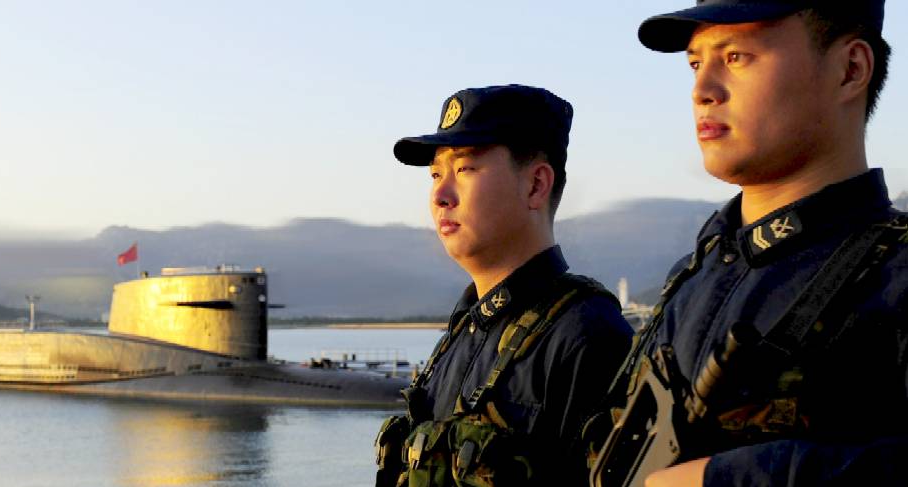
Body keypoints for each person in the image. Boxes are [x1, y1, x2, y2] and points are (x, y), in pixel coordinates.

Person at [588, 1, 908, 486]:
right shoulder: (691, 278)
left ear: (850, 69)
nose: (702, 91)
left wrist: (731, 478)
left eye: (737, 56)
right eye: (696, 63)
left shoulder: (897, 274)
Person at [373, 84, 633, 486]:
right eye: (436, 174)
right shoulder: (463, 331)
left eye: (464, 169)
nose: (440, 195)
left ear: (535, 186)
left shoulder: (586, 334)